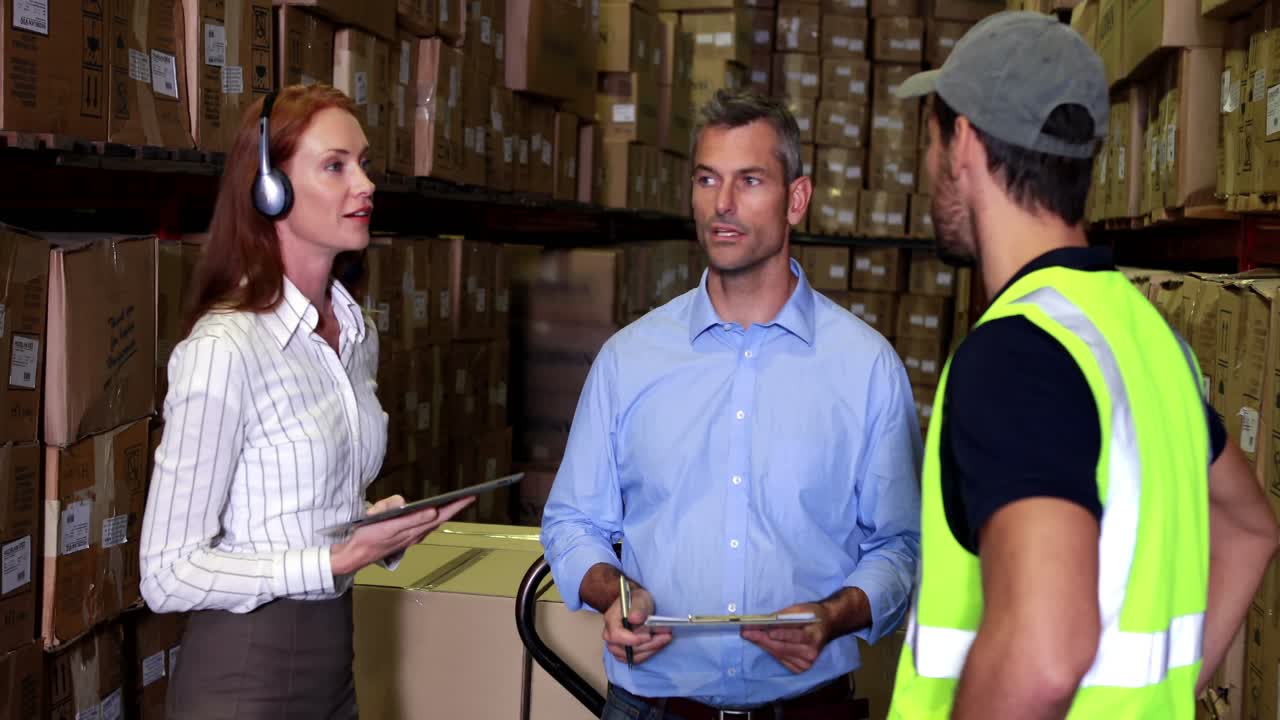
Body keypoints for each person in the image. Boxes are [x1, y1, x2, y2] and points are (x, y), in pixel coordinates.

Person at [886, 12, 1280, 719]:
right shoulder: (1146, 337)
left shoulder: (1017, 352)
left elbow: (1044, 657)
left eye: (932, 137)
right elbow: (1251, 529)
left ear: (964, 140)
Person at [541, 89, 922, 720]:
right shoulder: (628, 360)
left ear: (796, 199)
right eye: (707, 179)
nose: (722, 203)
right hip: (654, 707)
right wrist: (615, 592)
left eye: (749, 180)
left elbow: (901, 545)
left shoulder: (866, 369)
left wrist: (834, 615)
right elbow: (573, 522)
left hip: (806, 708)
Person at [139, 84, 472, 719]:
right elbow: (165, 574)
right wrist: (332, 560)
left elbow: (290, 509)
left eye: (364, 163)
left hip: (334, 663)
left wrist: (370, 527)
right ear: (272, 190)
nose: (365, 185)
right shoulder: (226, 348)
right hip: (245, 676)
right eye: (335, 166)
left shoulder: (354, 333)